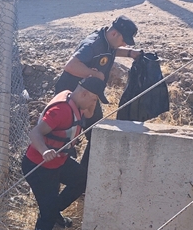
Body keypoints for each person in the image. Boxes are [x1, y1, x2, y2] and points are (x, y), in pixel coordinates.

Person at [21, 77, 104, 230]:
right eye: (93, 99)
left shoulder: (76, 101)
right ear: (83, 94)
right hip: (39, 166)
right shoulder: (61, 111)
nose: (94, 104)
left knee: (81, 179)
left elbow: (88, 114)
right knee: (46, 215)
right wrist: (44, 151)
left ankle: (54, 210)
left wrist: (90, 107)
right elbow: (35, 133)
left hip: (58, 162)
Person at [54, 16, 143, 171]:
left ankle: (84, 174)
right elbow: (70, 65)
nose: (124, 43)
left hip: (90, 96)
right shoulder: (93, 44)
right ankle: (69, 175)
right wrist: (93, 74)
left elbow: (112, 50)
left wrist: (130, 53)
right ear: (115, 34)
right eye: (124, 40)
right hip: (72, 97)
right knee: (67, 139)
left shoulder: (108, 41)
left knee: (96, 133)